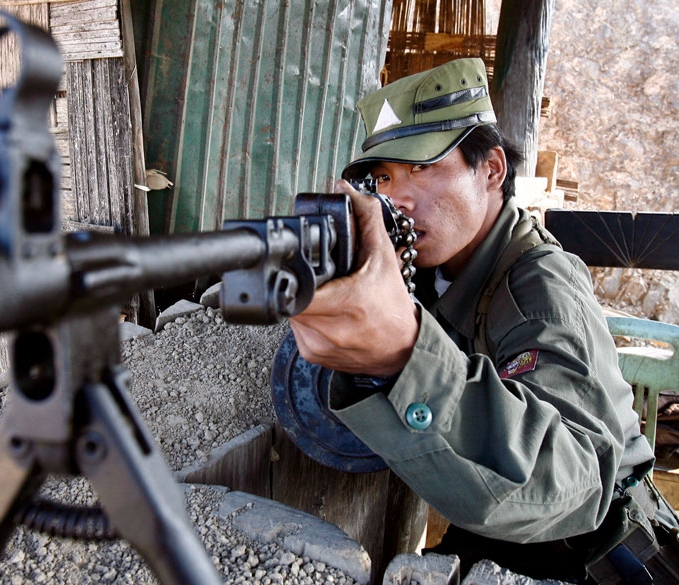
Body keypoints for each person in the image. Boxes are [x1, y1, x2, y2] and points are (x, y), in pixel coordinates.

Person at [288, 57, 678, 583]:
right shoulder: (434, 264)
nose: (397, 198)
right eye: (383, 177)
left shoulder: (540, 286)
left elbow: (570, 482)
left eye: (422, 168)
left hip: (596, 552)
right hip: (494, 527)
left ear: (491, 170)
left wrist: (405, 354)